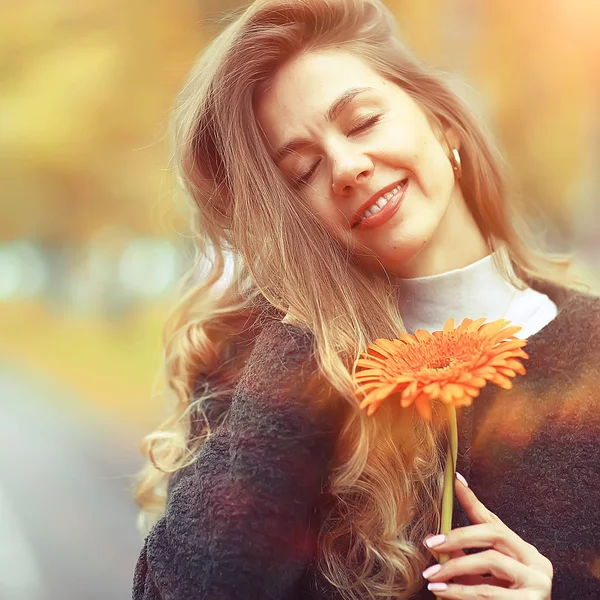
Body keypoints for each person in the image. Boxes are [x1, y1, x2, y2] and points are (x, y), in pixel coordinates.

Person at [132, 0, 600, 598]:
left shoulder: (589, 350)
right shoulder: (266, 369)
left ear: (441, 120)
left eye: (362, 122)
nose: (348, 167)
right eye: (303, 172)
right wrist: (299, 335)